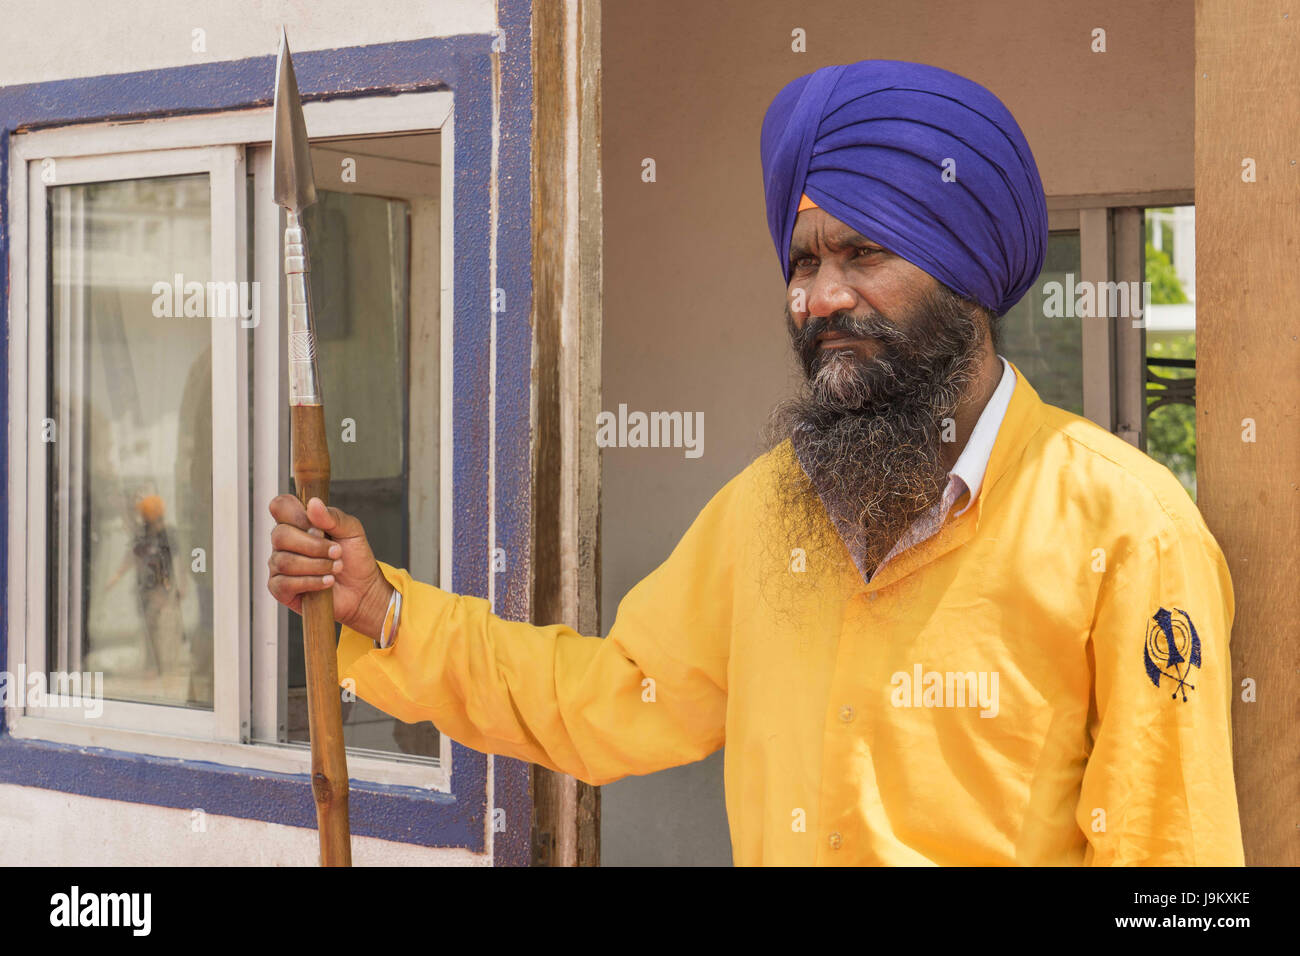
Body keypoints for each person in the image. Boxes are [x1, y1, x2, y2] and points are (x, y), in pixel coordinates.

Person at [267, 60, 1242, 865]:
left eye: (860, 254)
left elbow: (1173, 861)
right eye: (801, 263)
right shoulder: (770, 509)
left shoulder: (1127, 531)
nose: (819, 297)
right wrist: (385, 610)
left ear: (966, 276)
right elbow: (606, 699)